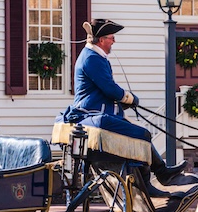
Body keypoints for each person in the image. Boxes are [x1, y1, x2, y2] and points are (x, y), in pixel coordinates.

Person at [59, 18, 188, 182]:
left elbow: (104, 89)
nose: (114, 41)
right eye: (111, 38)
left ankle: (161, 172)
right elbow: (109, 88)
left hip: (100, 110)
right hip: (92, 112)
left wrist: (124, 102)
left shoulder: (94, 56)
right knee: (141, 134)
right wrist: (129, 98)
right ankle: (153, 178)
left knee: (140, 131)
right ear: (102, 40)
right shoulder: (92, 58)